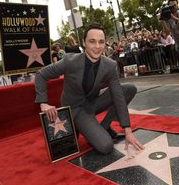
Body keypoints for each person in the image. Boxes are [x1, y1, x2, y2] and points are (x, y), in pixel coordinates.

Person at [35, 23, 144, 154]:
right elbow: (41, 74)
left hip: (93, 102)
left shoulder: (110, 65)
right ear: (84, 43)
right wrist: (43, 103)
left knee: (129, 89)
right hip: (76, 108)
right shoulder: (70, 61)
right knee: (106, 146)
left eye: (101, 42)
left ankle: (104, 126)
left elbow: (118, 96)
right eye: (92, 41)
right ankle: (79, 126)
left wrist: (127, 129)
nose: (97, 47)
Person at [161, 0, 179, 84]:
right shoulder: (167, 18)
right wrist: (162, 20)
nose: (173, 7)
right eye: (171, 6)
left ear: (177, 4)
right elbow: (167, 33)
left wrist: (173, 17)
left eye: (174, 5)